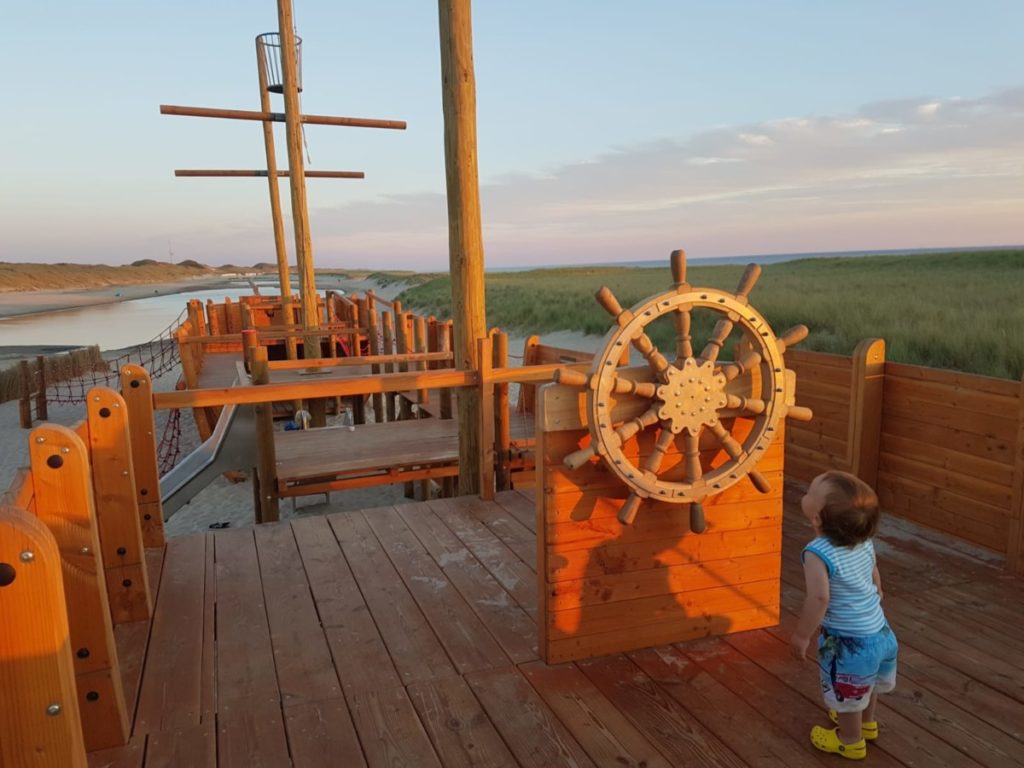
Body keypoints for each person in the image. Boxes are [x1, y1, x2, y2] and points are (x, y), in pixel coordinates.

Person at [790, 470, 898, 761]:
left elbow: (820, 597)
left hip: (849, 642)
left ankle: (849, 740)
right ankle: (867, 724)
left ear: (817, 519)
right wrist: (877, 591)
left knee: (847, 690)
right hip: (881, 632)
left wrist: (802, 635)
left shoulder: (816, 552)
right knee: (869, 681)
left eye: (812, 491)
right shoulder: (863, 541)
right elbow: (873, 572)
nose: (807, 491)